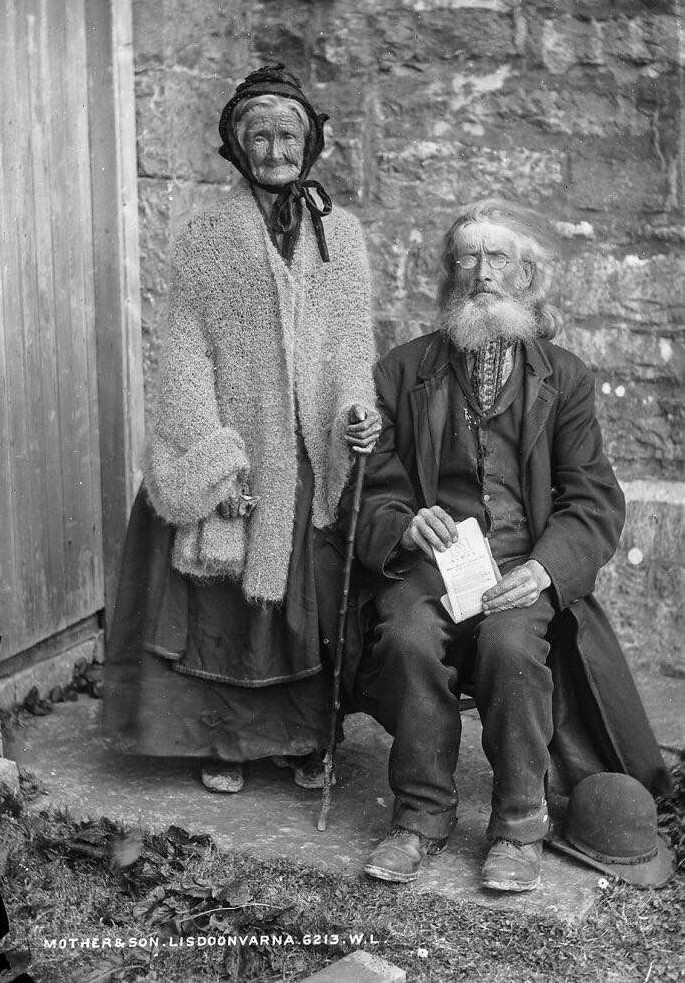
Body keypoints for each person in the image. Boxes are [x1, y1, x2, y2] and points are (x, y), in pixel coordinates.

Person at [352, 198, 671, 891]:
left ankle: (519, 826)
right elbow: (373, 487)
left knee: (509, 646)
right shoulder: (403, 371)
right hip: (431, 565)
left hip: (522, 564)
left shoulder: (565, 377)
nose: (482, 272)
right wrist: (405, 521)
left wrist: (545, 570)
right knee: (404, 636)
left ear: (528, 274)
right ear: (449, 273)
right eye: (467, 257)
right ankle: (421, 816)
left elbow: (592, 499)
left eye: (499, 257)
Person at [103, 63, 380, 795]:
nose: (273, 148)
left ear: (310, 142)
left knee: (304, 603)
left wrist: (355, 413)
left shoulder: (341, 237)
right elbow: (184, 352)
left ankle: (307, 740)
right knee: (223, 604)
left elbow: (352, 345)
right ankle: (224, 742)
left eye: (287, 134)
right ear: (236, 146)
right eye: (258, 135)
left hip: (307, 454)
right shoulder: (206, 237)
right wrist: (216, 460)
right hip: (238, 447)